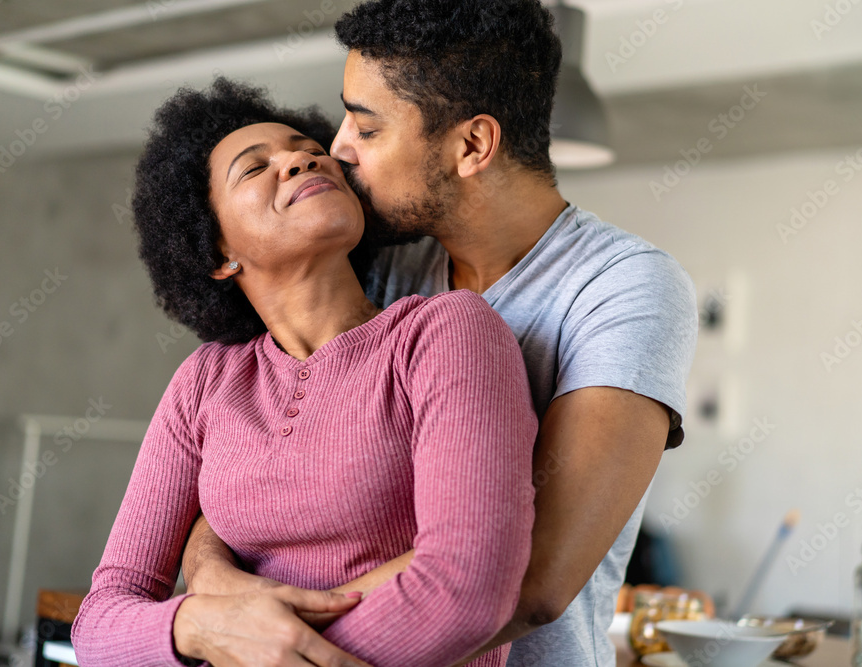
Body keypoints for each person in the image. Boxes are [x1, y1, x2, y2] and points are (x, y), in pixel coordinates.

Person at [183, 1, 699, 665]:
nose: (337, 148)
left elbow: (531, 579)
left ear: (471, 146)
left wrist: (276, 638)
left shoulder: (626, 287)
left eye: (367, 129)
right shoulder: (379, 266)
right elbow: (246, 467)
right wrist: (211, 581)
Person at [69, 78, 539, 667]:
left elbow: (468, 588)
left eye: (305, 148)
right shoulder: (206, 383)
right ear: (218, 254)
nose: (302, 157)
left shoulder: (443, 334)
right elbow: (100, 623)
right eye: (253, 167)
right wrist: (200, 625)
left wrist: (263, 647)